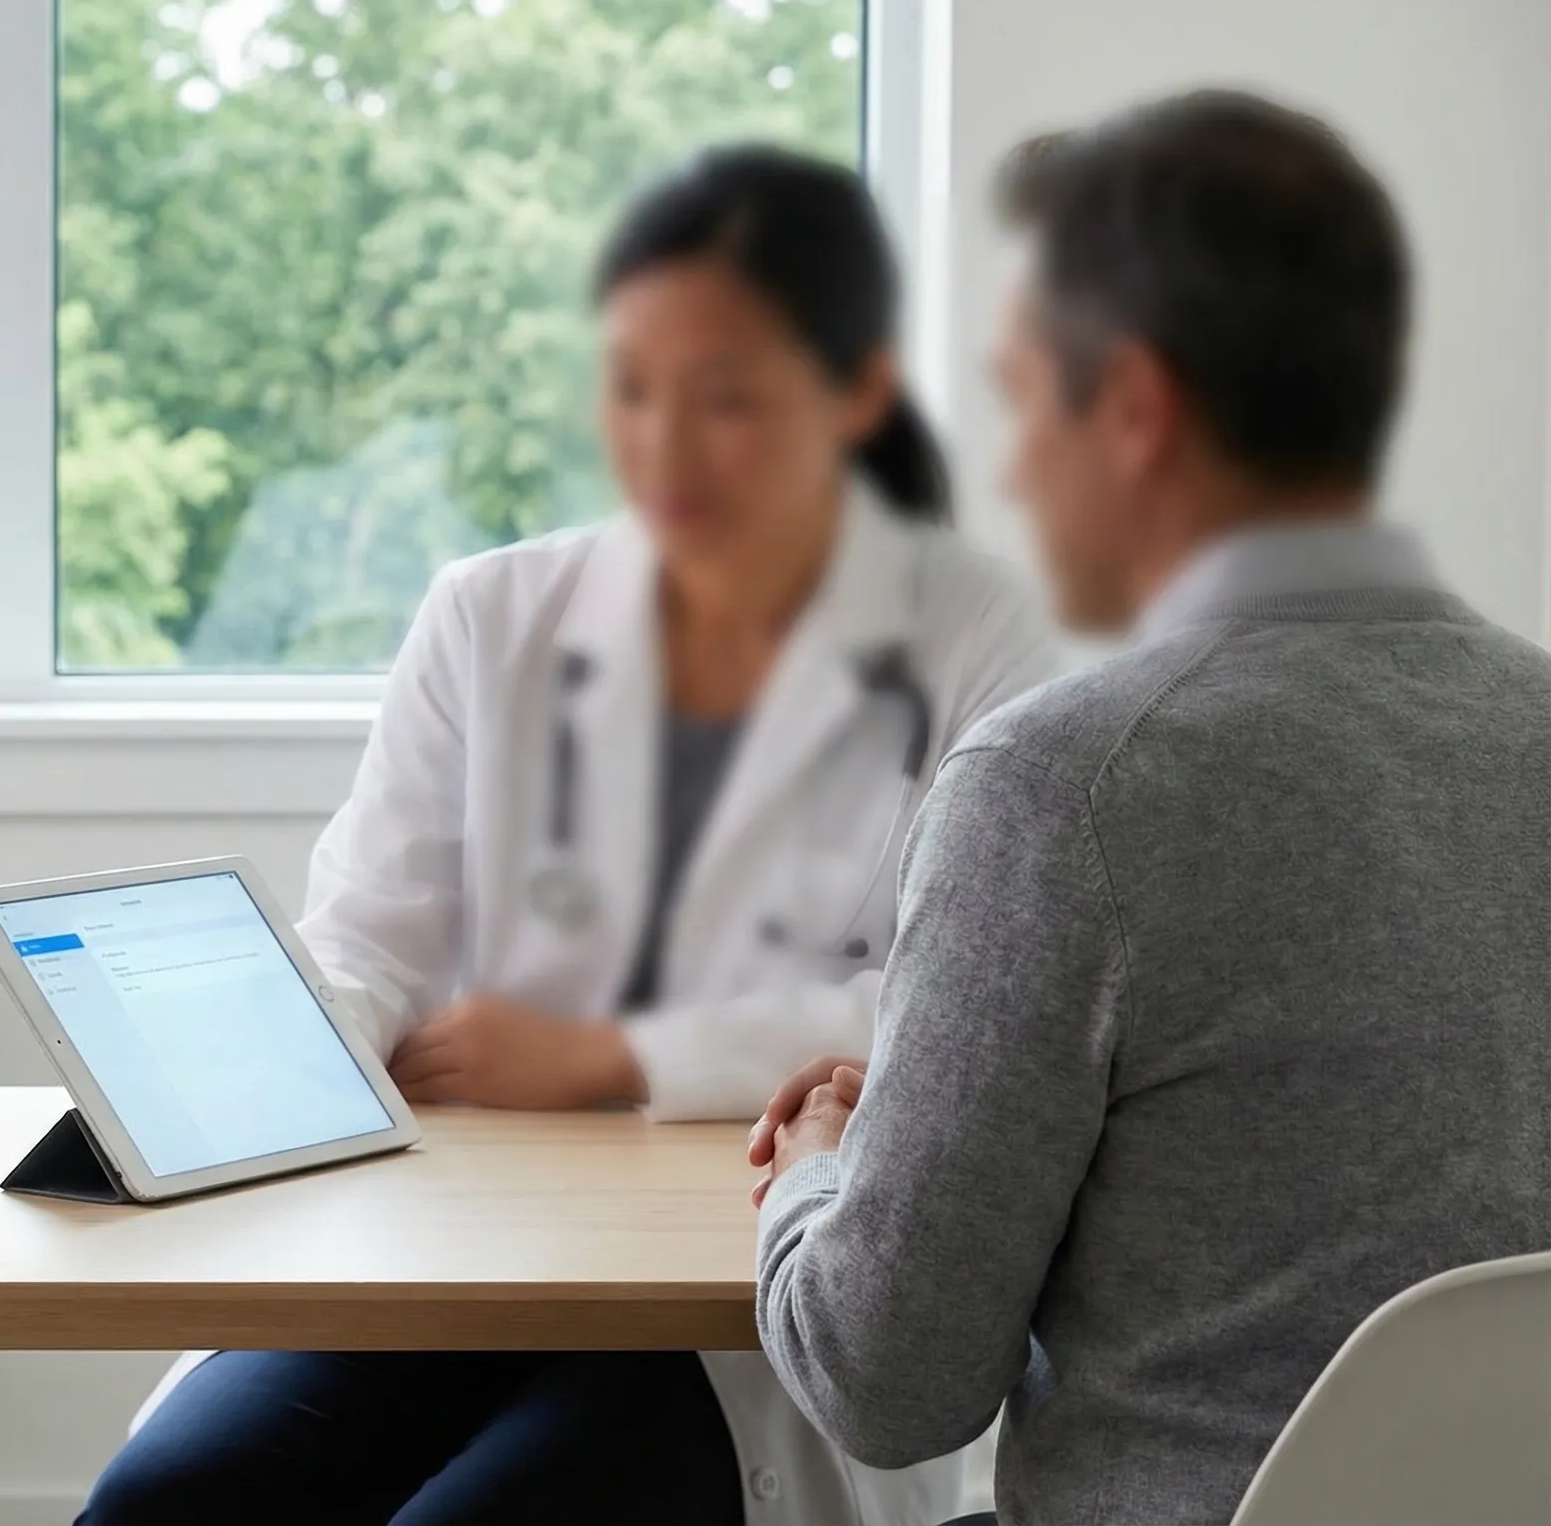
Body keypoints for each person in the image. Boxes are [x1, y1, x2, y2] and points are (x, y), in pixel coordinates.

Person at [81, 147, 1059, 1526]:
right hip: (447, 1255)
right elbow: (366, 943)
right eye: (636, 389)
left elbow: (970, 1022)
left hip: (739, 1303)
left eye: (726, 396)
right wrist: (263, 1073)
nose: (667, 446)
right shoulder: (490, 615)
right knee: (169, 1506)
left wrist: (608, 1057)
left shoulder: (980, 636)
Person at [748, 90, 1551, 1526]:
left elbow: (886, 1385)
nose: (1008, 472)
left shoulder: (1070, 787)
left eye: (1021, 401)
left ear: (1133, 411)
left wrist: (819, 1180)